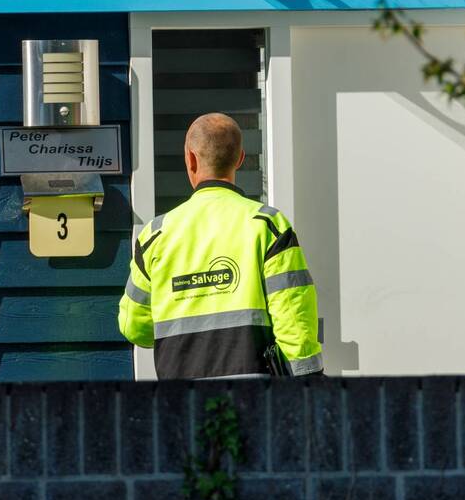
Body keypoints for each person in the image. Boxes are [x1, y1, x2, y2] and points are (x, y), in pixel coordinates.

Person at [117, 112, 322, 379]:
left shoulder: (155, 235)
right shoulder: (267, 225)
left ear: (190, 159)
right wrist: (310, 380)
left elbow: (135, 328)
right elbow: (294, 317)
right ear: (239, 159)